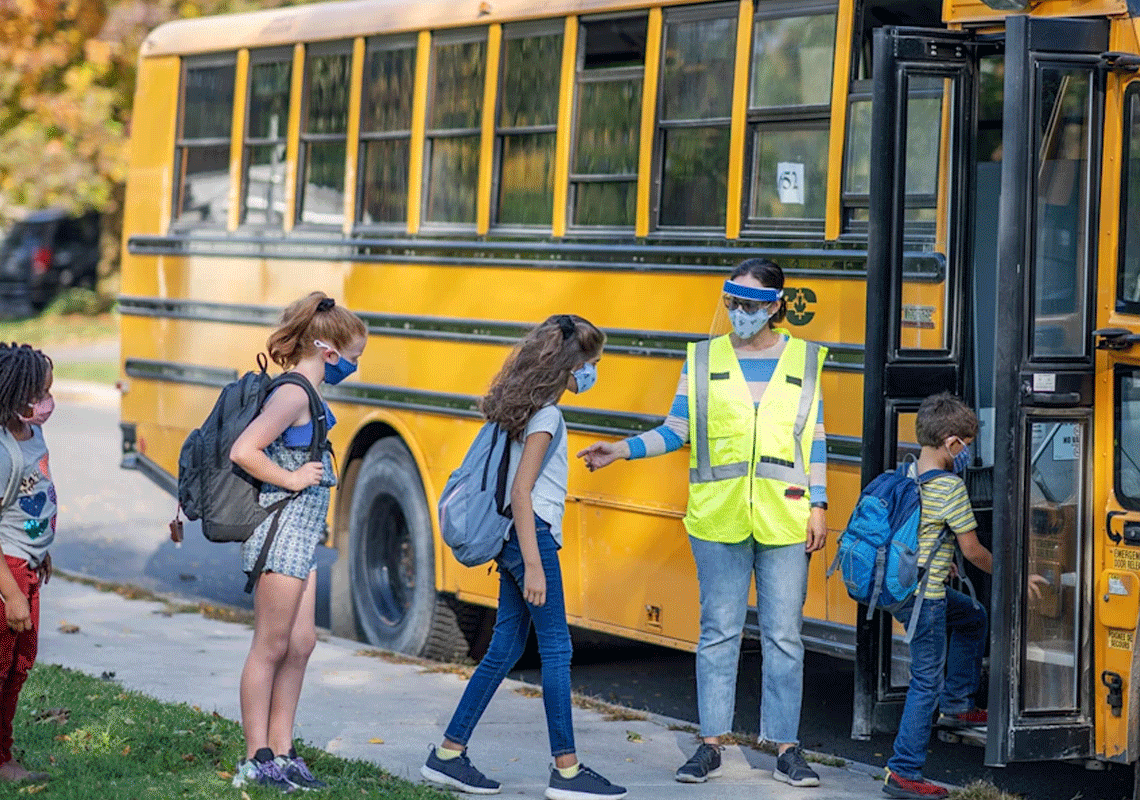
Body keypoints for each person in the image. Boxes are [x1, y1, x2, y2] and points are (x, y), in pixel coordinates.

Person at [578, 259, 827, 788]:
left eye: (752, 306)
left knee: (785, 636)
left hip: (785, 513)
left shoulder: (805, 360)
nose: (739, 314)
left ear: (778, 307)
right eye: (732, 304)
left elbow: (814, 437)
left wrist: (820, 504)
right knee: (719, 633)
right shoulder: (703, 357)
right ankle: (710, 744)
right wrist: (622, 450)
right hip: (718, 517)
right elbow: (677, 430)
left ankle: (786, 748)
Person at [421, 314, 627, 800]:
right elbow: (521, 490)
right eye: (592, 364)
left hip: (515, 538)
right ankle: (567, 770)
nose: (594, 373)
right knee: (557, 648)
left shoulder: (519, 408)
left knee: (506, 647)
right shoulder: (548, 416)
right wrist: (534, 564)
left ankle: (449, 754)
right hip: (530, 538)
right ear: (570, 365)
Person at [229, 293, 367, 792]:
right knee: (270, 645)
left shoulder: (311, 394)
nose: (355, 366)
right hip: (280, 536)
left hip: (303, 537)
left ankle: (284, 751)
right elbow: (244, 450)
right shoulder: (291, 394)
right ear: (328, 351)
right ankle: (256, 757)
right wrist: (290, 480)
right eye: (353, 357)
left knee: (301, 644)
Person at [881, 392, 992, 800]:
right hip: (925, 598)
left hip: (903, 588)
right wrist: (1013, 575)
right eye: (965, 444)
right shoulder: (950, 487)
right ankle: (903, 771)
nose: (966, 452)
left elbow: (916, 530)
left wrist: (935, 556)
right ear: (951, 442)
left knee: (972, 616)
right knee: (925, 680)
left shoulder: (905, 473)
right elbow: (973, 550)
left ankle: (958, 703)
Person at [0, 343, 56, 783]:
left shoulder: (32, 435)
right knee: (0, 667)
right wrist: (12, 591)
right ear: (14, 398)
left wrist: (42, 549)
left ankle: (3, 755)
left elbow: (28, 505)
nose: (46, 402)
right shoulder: (3, 452)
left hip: (28, 565)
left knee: (19, 667)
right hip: (8, 575)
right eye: (38, 393)